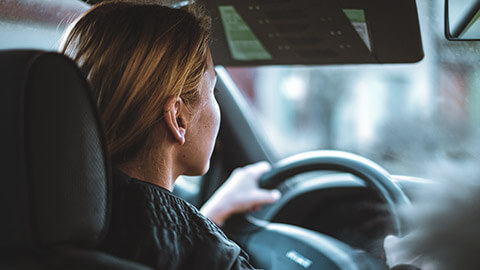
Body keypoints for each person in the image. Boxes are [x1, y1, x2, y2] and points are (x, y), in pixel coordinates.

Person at [60, 1, 280, 269]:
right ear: (178, 118)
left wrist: (212, 214)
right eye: (214, 91)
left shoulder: (45, 223)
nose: (216, 103)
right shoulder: (215, 260)